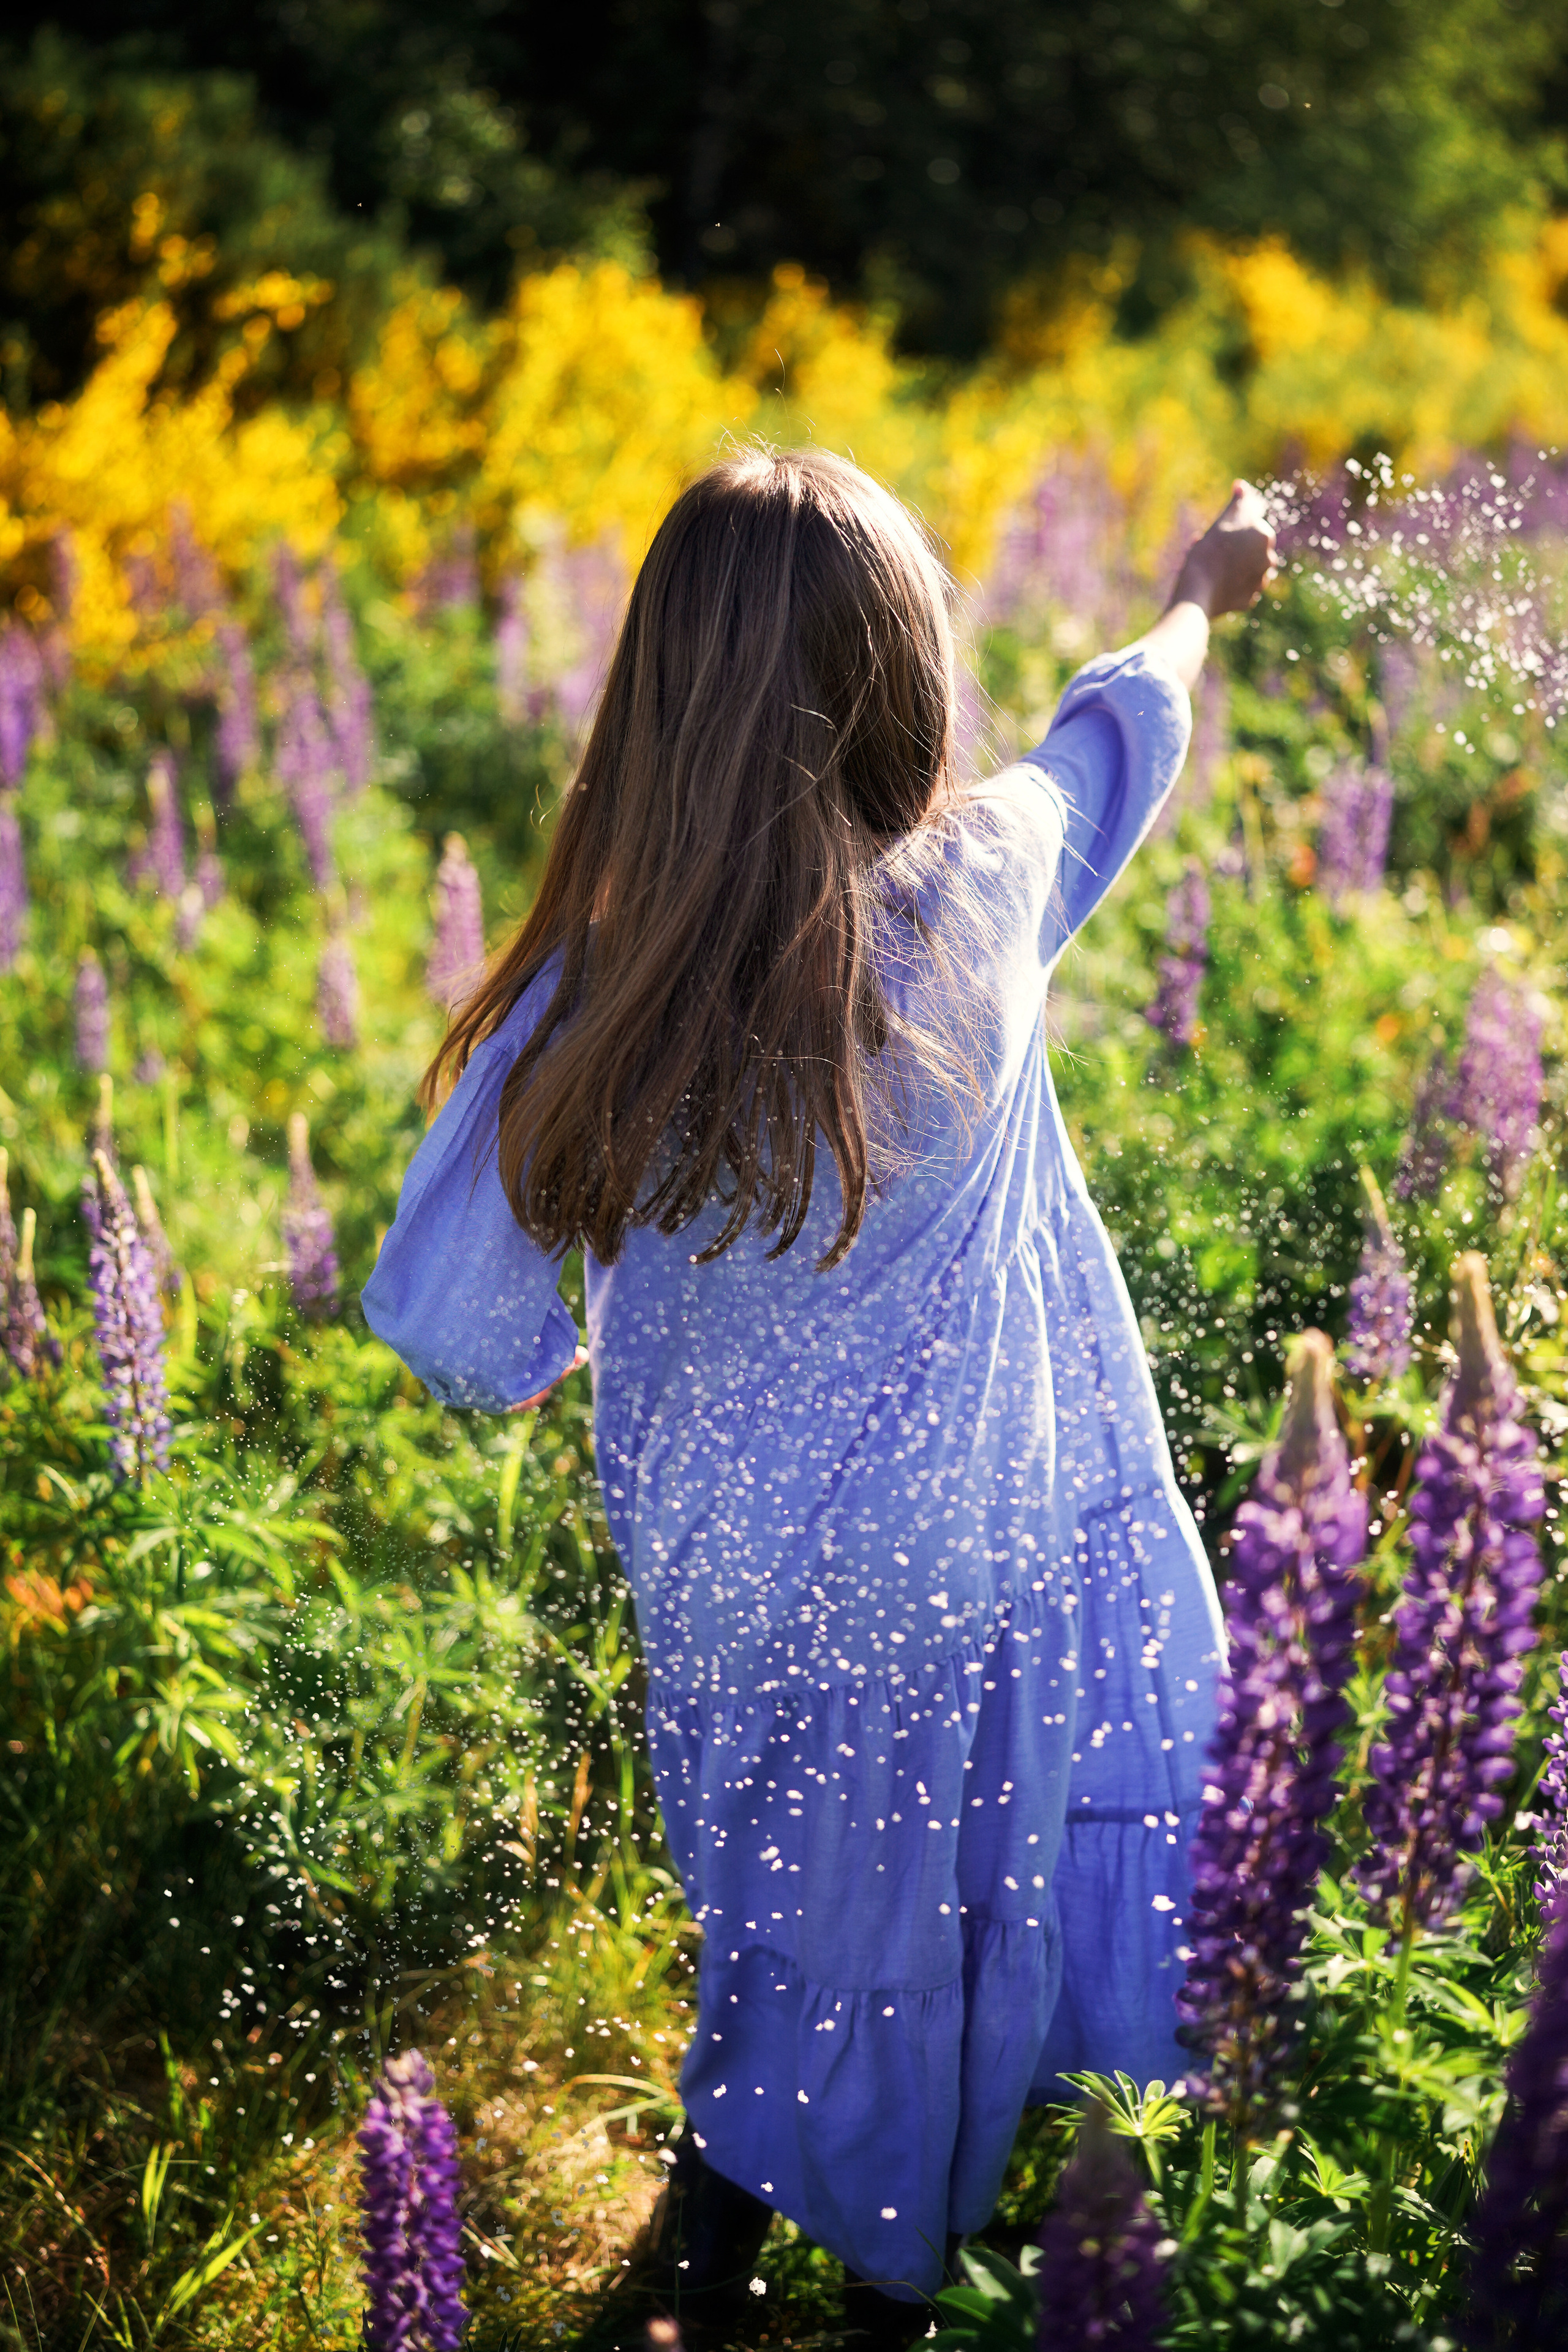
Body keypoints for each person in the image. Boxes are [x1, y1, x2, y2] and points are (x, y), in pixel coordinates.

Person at [362, 451, 1275, 2340]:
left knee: (801, 1914)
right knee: (927, 1928)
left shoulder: (602, 991)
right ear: (900, 682)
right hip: (962, 1567)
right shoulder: (985, 895)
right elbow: (1122, 727)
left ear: (662, 705)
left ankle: (712, 2244)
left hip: (733, 1589)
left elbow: (464, 1330)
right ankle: (877, 2282)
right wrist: (1200, 590)